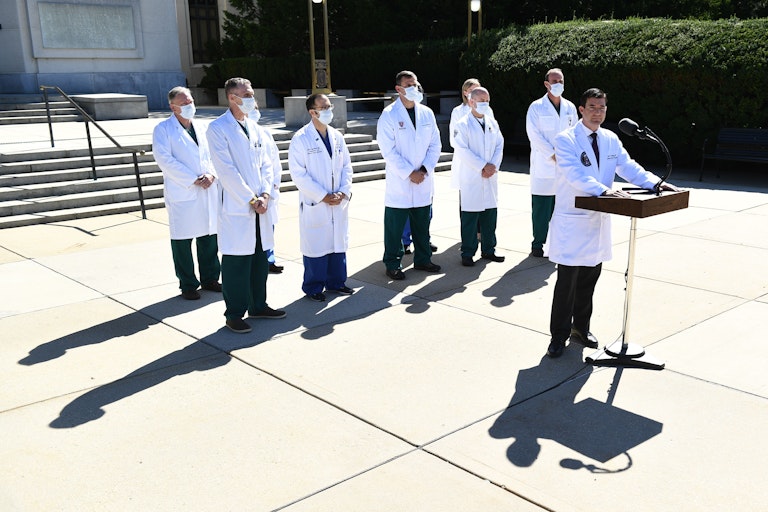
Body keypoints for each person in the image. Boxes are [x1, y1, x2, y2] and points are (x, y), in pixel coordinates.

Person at [546, 88, 679, 358]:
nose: (598, 112)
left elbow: (628, 166)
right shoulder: (566, 139)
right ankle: (558, 336)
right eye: (593, 107)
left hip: (597, 220)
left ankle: (581, 328)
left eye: (602, 107)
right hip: (573, 219)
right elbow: (573, 173)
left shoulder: (609, 138)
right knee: (567, 283)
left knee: (589, 279)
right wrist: (604, 190)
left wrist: (655, 183)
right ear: (581, 110)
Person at [206, 77, 286, 333]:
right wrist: (251, 198)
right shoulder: (218, 129)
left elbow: (267, 164)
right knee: (237, 263)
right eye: (247, 94)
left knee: (260, 260)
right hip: (239, 207)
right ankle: (234, 313)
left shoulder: (256, 128)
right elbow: (226, 170)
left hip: (260, 205)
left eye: (252, 93)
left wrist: (265, 195)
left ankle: (258, 305)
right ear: (232, 97)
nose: (252, 99)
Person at [152, 86, 221, 301]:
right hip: (183, 190)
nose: (189, 106)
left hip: (207, 187)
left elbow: (214, 155)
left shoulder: (202, 127)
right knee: (182, 240)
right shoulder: (163, 129)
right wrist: (193, 178)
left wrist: (211, 174)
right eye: (184, 104)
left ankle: (210, 278)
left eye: (190, 101)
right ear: (173, 107)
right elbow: (164, 160)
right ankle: (188, 283)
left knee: (209, 236)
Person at [377, 70, 442, 280]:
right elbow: (388, 150)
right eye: (409, 85)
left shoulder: (427, 113)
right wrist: (408, 173)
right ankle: (393, 263)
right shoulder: (389, 115)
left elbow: (435, 144)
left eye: (416, 84)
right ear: (399, 89)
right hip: (400, 181)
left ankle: (423, 259)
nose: (415, 88)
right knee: (395, 228)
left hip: (422, 179)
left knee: (422, 225)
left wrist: (423, 170)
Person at [288, 93, 354, 302]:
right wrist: (323, 196)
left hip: (338, 200)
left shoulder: (337, 136)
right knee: (316, 246)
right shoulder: (301, 139)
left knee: (337, 243)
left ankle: (337, 282)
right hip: (316, 202)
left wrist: (344, 190)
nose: (329, 111)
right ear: (312, 112)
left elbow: (346, 166)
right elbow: (298, 175)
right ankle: (314, 287)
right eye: (324, 108)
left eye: (329, 106)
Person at [525, 68, 578, 258]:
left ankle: (559, 244)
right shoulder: (536, 107)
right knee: (541, 208)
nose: (558, 85)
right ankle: (538, 243)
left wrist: (568, 155)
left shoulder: (570, 107)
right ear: (546, 84)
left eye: (561, 81)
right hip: (544, 165)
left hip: (565, 166)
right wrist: (553, 154)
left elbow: (575, 133)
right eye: (554, 81)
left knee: (562, 208)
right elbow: (534, 135)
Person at [453, 87, 505, 266]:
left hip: (490, 177)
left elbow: (499, 145)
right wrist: (482, 166)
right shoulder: (462, 124)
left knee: (490, 216)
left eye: (487, 100)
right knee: (470, 217)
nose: (484, 103)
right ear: (471, 102)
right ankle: (467, 252)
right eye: (481, 100)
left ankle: (489, 250)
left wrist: (492, 167)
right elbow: (462, 149)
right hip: (472, 176)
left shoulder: (492, 122)